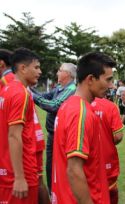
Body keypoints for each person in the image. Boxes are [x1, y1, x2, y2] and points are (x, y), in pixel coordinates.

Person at [51, 52, 116, 203]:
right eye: (108, 80)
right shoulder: (80, 112)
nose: (111, 86)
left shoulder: (68, 105)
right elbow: (74, 170)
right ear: (91, 79)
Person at [0, 48, 42, 203]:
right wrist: (19, 177)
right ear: (23, 68)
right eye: (36, 67)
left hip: (6, 167)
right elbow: (14, 135)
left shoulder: (6, 90)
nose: (40, 72)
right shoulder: (20, 93)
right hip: (21, 170)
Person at [30, 62, 76, 192]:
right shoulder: (59, 88)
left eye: (60, 70)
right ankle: (53, 193)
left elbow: (53, 105)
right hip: (53, 135)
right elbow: (44, 97)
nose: (57, 73)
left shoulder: (71, 90)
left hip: (60, 136)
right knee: (50, 167)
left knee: (58, 167)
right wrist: (28, 88)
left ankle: (58, 193)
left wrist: (31, 94)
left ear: (67, 74)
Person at [91, 96, 124, 204]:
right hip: (106, 163)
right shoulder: (110, 106)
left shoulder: (76, 105)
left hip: (83, 164)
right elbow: (118, 136)